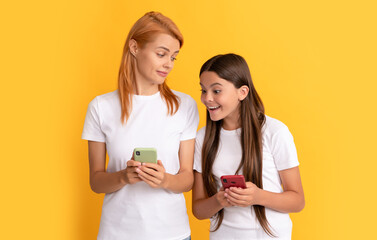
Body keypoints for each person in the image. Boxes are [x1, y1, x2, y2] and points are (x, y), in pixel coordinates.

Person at [82, 12, 199, 240]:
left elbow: (187, 179)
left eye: (173, 57)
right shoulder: (100, 107)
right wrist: (123, 177)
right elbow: (96, 181)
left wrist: (165, 179)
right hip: (117, 233)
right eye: (161, 54)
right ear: (134, 48)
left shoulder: (184, 105)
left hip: (173, 233)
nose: (169, 64)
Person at [192, 53, 305, 239]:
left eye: (216, 91)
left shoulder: (274, 131)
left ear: (242, 92)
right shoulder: (202, 138)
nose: (207, 99)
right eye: (203, 90)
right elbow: (199, 210)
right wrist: (219, 200)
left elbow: (297, 201)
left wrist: (258, 197)